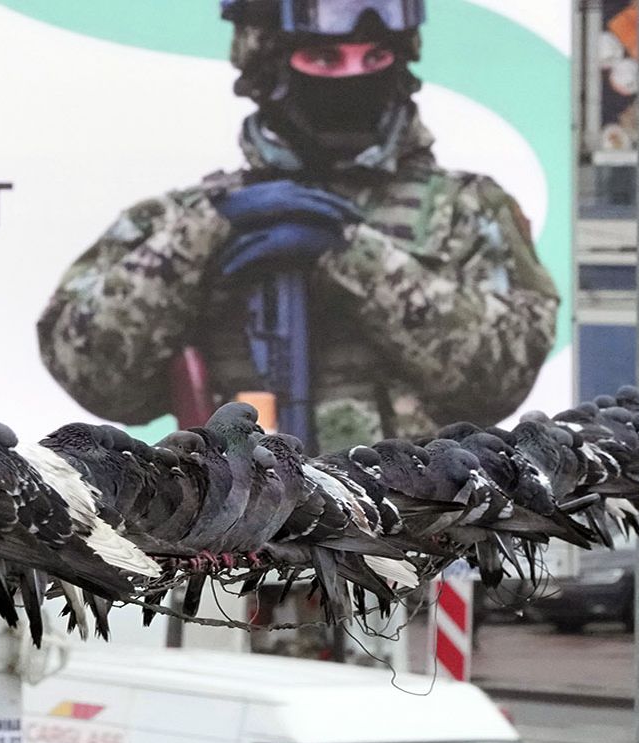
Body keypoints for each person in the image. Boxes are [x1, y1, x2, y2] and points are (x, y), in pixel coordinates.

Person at [36, 0, 559, 451]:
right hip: (241, 537)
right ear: (271, 68)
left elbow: (497, 384)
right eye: (324, 58)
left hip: (405, 537)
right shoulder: (184, 219)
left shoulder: (465, 210)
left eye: (374, 57)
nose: (354, 78)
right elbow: (95, 378)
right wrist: (199, 238)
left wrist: (354, 257)